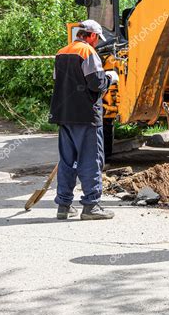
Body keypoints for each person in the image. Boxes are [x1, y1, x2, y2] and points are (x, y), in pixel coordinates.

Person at [49, 19, 119, 220]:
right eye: (97, 39)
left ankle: (64, 205)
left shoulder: (61, 52)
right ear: (93, 36)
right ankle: (91, 206)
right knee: (91, 160)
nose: (97, 42)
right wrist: (110, 78)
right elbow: (96, 84)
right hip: (86, 116)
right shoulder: (88, 52)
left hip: (64, 115)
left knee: (67, 161)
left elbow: (59, 81)